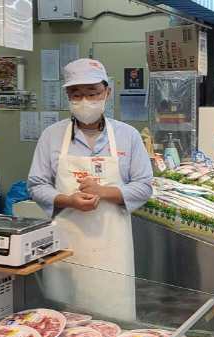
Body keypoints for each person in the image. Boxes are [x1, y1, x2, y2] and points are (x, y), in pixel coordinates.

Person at [27, 59, 152, 318]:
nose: (85, 101)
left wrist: (103, 192)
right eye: (77, 95)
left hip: (112, 248)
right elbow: (36, 185)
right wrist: (69, 200)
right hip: (67, 246)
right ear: (68, 97)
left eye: (93, 93)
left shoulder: (128, 135)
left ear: (107, 92)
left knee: (113, 317)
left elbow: (143, 187)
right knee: (67, 319)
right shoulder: (52, 135)